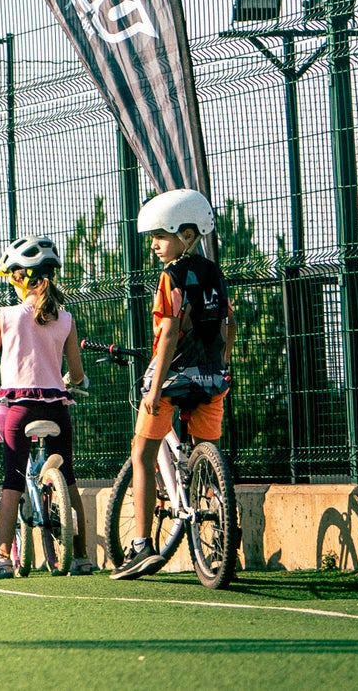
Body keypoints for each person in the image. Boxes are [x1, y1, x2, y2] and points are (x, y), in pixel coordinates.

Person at [113, 190, 233, 581]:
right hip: (212, 377)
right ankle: (224, 538)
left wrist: (153, 388)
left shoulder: (171, 277)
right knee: (208, 455)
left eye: (160, 236)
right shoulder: (215, 273)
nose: (154, 245)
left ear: (187, 234)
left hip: (173, 377)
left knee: (142, 455)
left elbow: (167, 334)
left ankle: (142, 546)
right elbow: (229, 324)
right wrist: (221, 364)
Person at [0, 235, 88, 579]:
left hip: (19, 408)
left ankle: (2, 559)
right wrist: (74, 381)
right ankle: (81, 557)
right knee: (68, 478)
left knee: (13, 481)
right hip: (57, 408)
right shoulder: (65, 319)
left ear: (21, 278)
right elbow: (77, 373)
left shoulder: (7, 316)